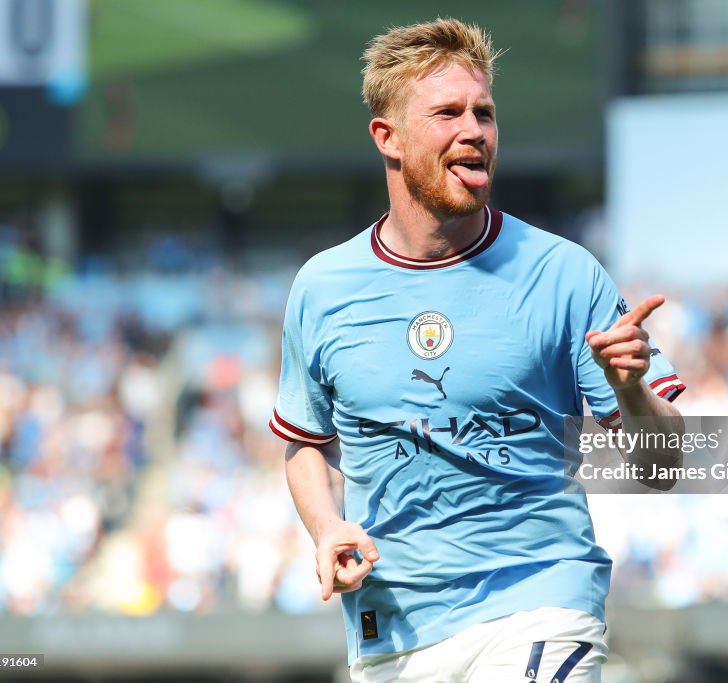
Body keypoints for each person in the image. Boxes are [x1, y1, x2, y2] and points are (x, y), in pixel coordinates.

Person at [271, 18, 685, 682]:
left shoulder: (564, 273)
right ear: (389, 138)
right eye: (448, 113)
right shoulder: (323, 289)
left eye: (484, 113)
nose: (475, 131)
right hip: (394, 627)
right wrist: (325, 526)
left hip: (541, 602)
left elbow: (664, 466)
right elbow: (305, 442)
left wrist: (631, 387)